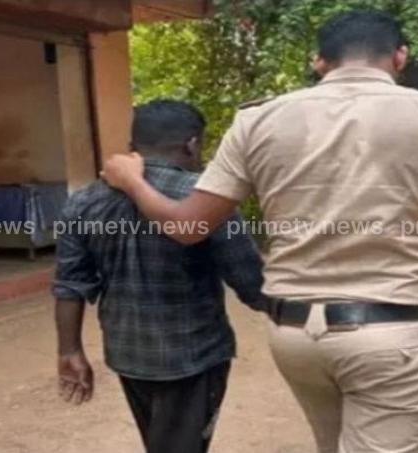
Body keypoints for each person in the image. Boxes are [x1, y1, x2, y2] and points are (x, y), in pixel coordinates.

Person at [101, 10, 418, 453]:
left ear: (319, 62)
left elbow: (188, 226)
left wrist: (133, 181)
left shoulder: (257, 121)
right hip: (393, 338)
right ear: (400, 57)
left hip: (296, 339)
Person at [53, 100, 267, 453]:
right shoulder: (204, 200)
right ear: (192, 144)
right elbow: (250, 282)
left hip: (128, 354)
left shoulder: (84, 202)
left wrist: (69, 349)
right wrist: (298, 311)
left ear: (132, 146)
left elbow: (69, 283)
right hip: (193, 356)